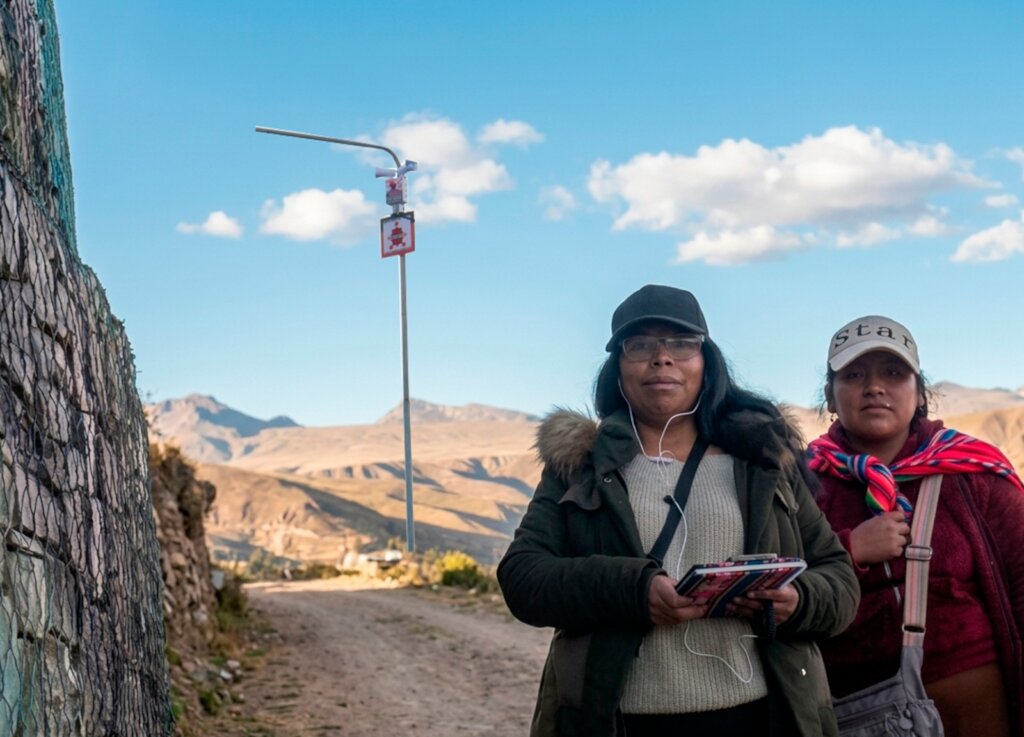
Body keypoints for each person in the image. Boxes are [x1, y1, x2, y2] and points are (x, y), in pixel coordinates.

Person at [498, 285, 859, 737]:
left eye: (682, 344)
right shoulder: (581, 465)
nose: (662, 357)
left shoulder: (763, 460)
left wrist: (796, 601)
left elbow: (840, 580)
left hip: (762, 717)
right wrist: (632, 590)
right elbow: (523, 577)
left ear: (707, 361)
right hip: (616, 721)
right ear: (618, 367)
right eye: (640, 345)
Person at [808, 315, 1024, 737]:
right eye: (853, 375)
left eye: (893, 373)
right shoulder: (802, 483)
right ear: (830, 397)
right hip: (857, 716)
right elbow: (783, 589)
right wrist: (848, 551)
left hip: (980, 711)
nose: (874, 387)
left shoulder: (973, 471)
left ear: (919, 393)